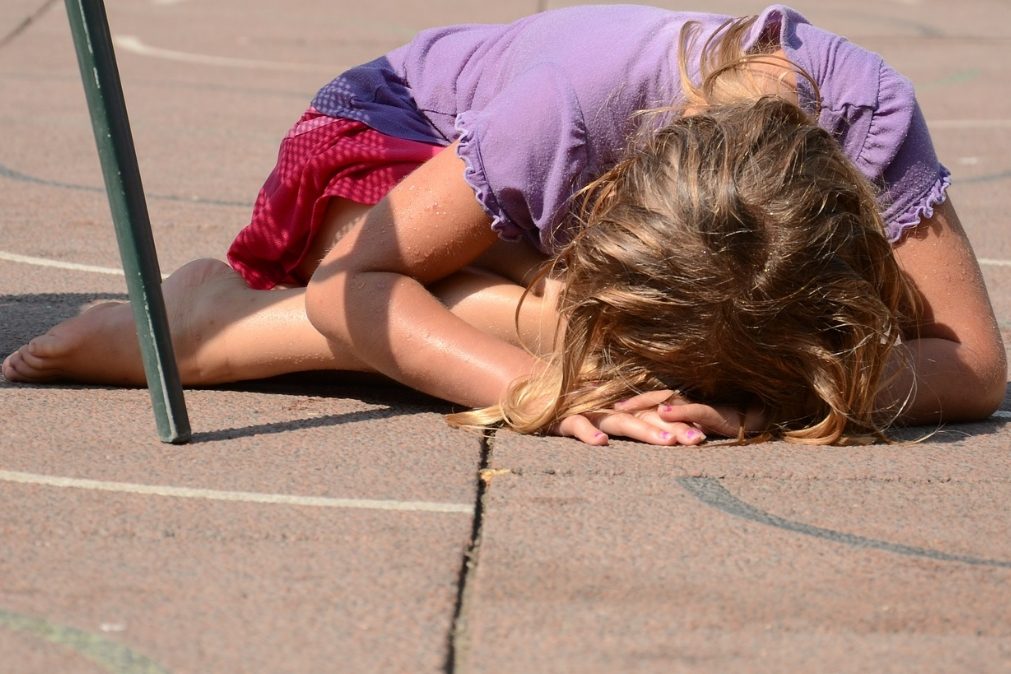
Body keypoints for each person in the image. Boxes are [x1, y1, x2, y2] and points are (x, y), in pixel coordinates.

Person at [3, 5, 1005, 445]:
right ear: (609, 204)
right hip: (385, 137)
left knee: (580, 330)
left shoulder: (869, 115)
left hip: (525, 228)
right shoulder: (566, 111)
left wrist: (775, 394)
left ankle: (217, 319)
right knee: (545, 327)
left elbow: (975, 365)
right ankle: (204, 328)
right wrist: (548, 389)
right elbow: (357, 282)